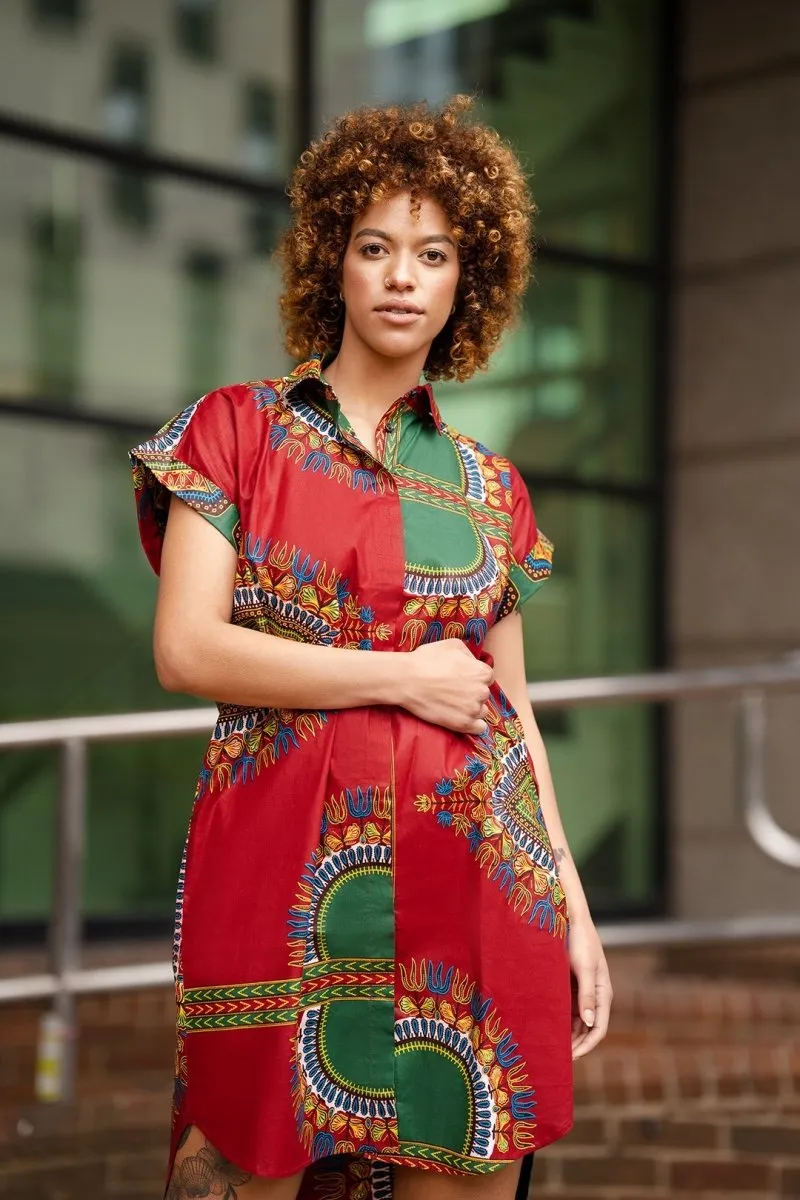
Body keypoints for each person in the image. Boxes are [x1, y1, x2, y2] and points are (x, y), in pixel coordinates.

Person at [129, 95, 612, 1200]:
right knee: (240, 1168)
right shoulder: (234, 431)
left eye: (432, 253)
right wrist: (402, 675)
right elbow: (188, 650)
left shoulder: (493, 490)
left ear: (464, 281)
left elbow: (513, 713)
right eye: (375, 247)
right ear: (332, 264)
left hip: (481, 893)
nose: (401, 276)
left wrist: (577, 913)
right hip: (280, 884)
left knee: (466, 1175)